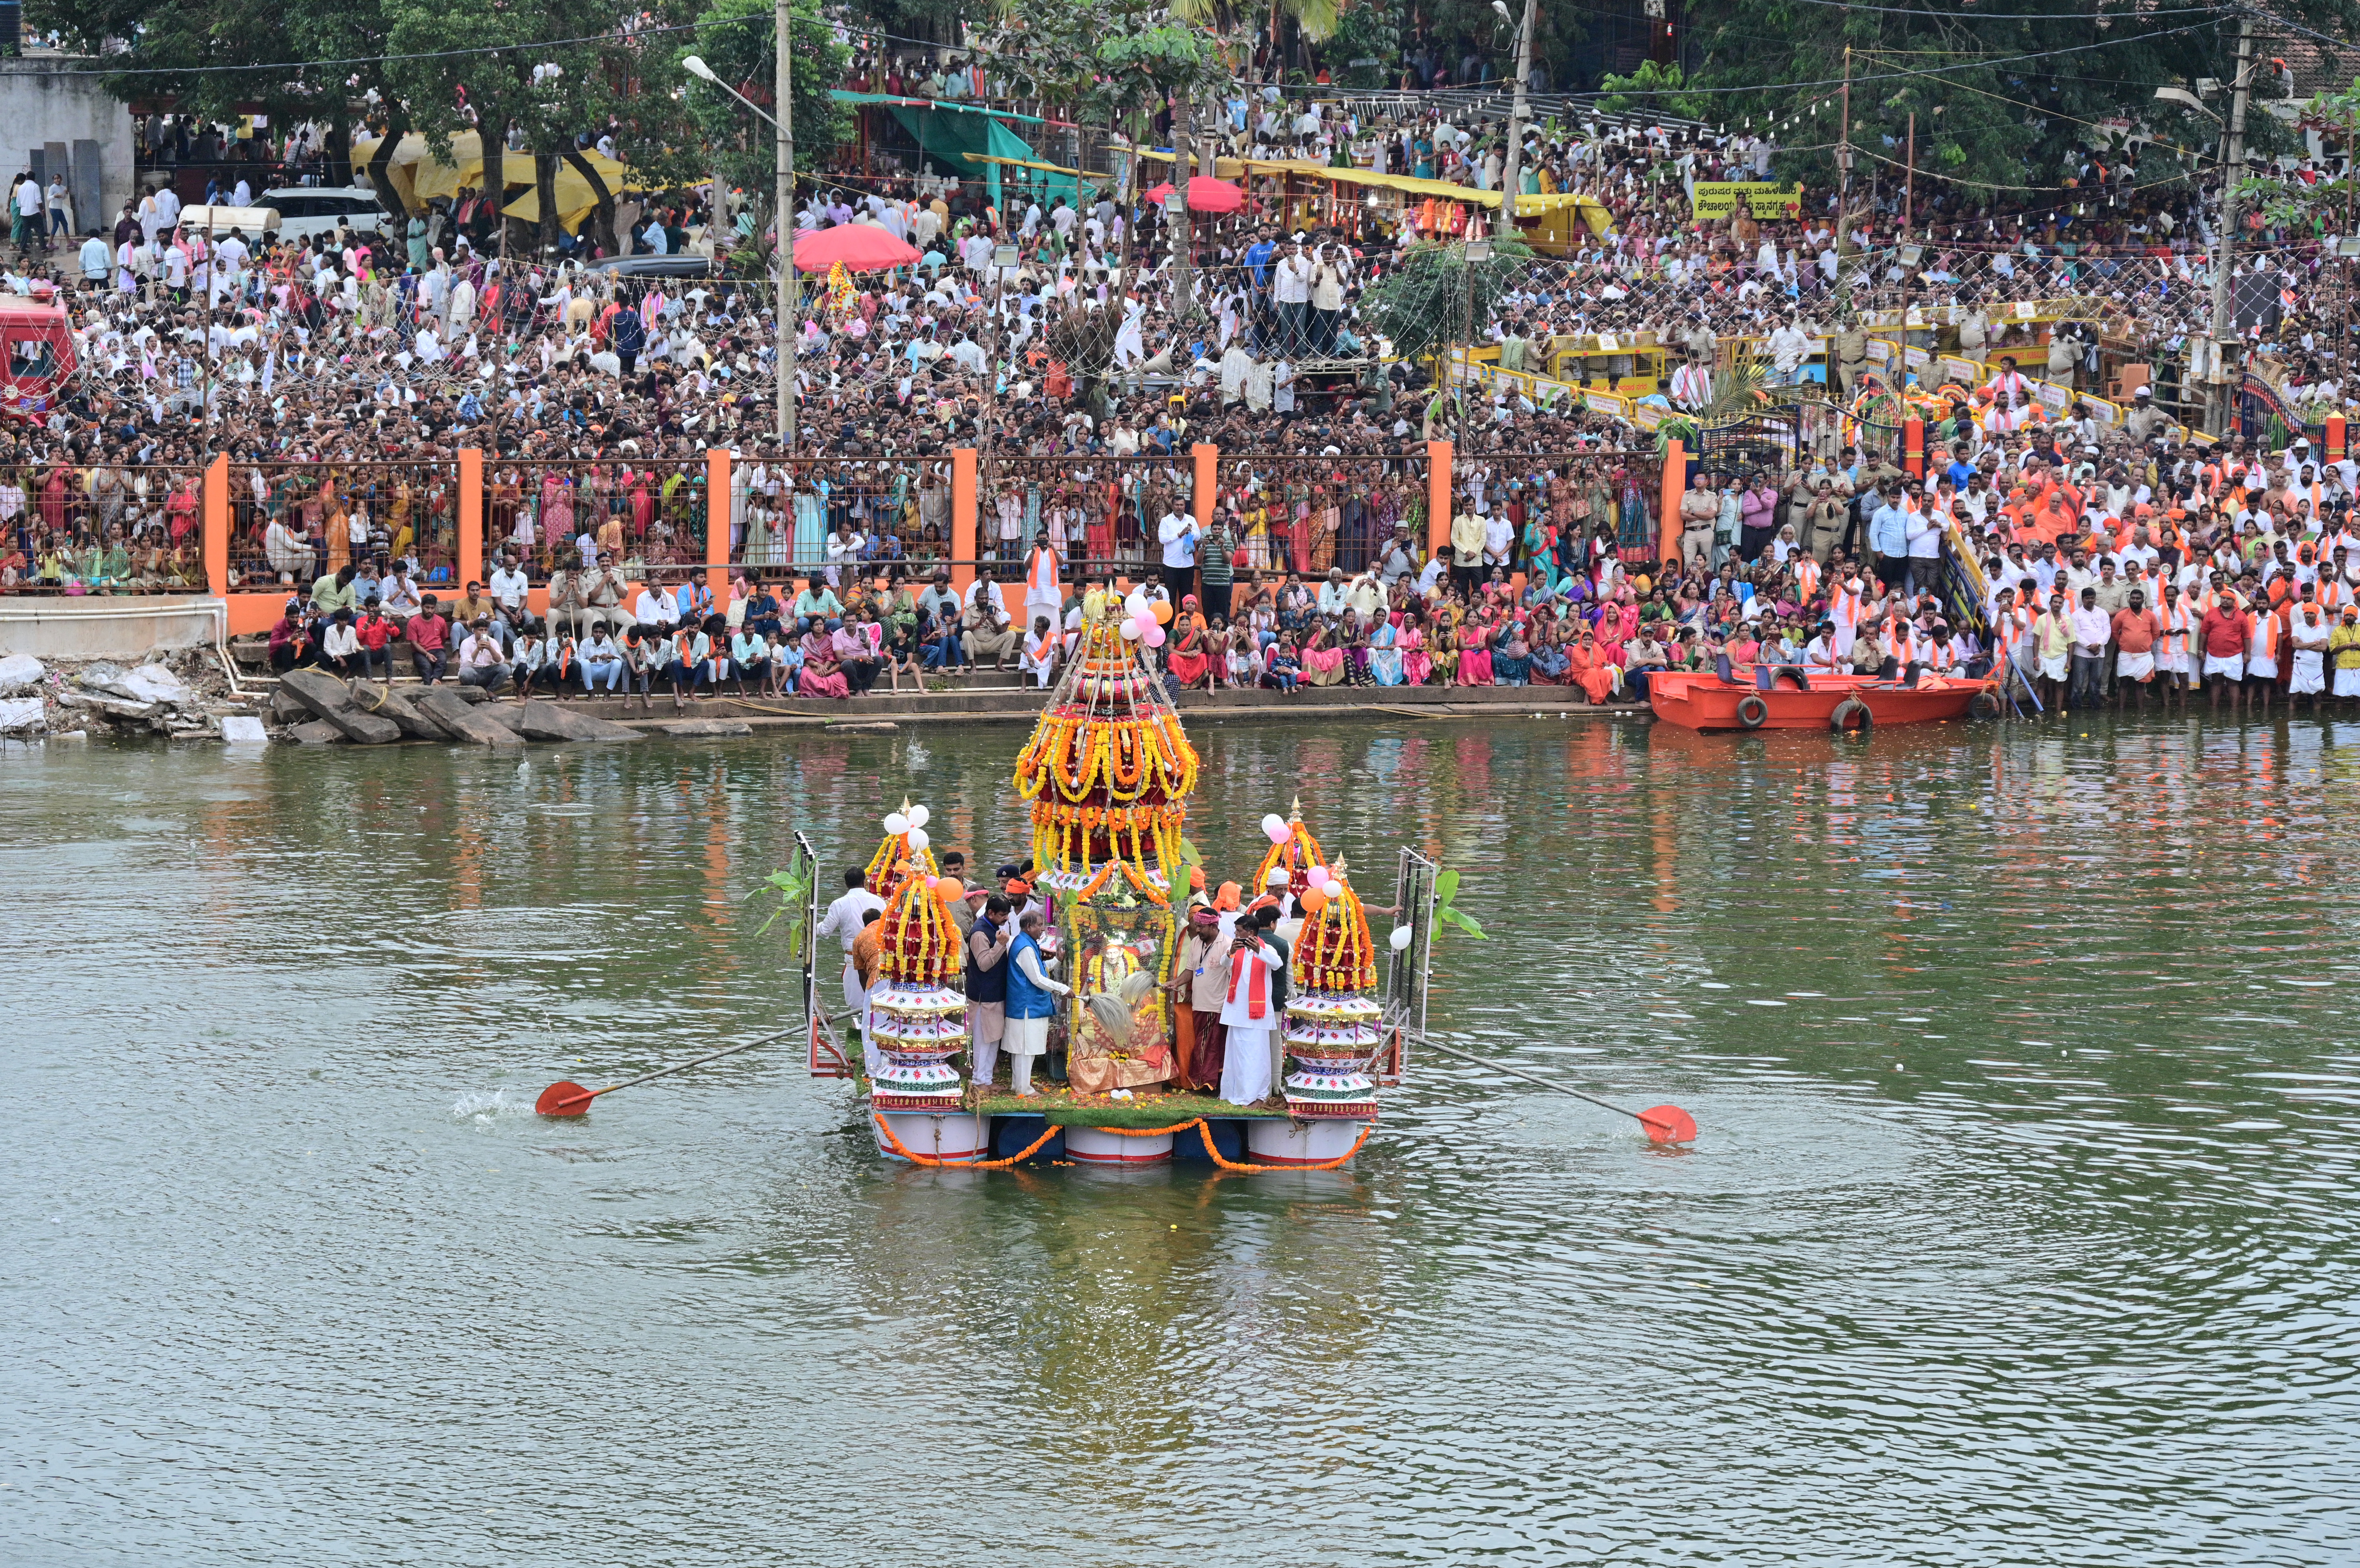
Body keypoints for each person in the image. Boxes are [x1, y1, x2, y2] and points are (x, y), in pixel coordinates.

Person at [1217, 905, 1286, 1107]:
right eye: (1236, 931)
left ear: (1251, 932)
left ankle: (1256, 1095)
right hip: (1237, 1011)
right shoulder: (1236, 948)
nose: (1236, 934)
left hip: (1257, 1014)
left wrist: (1259, 950)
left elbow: (1277, 964)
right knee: (1236, 1054)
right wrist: (1230, 952)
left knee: (1255, 1055)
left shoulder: (1267, 949)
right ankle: (1234, 1093)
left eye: (1239, 931)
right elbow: (1224, 964)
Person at [1003, 909, 1070, 1098]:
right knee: (1026, 1049)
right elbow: (1037, 979)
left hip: (1023, 1004)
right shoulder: (1025, 947)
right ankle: (1024, 1089)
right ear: (1029, 926)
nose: (1043, 929)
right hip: (1027, 1005)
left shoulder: (1025, 943)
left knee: (1021, 1049)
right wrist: (1063, 989)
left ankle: (1019, 1086)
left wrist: (1057, 961)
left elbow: (1038, 969)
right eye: (1040, 925)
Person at [965, 893, 1015, 1089]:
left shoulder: (994, 927)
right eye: (1003, 915)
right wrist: (1001, 945)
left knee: (994, 1039)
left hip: (995, 993)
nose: (1006, 919)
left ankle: (987, 1080)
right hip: (982, 997)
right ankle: (978, 1081)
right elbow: (984, 964)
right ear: (991, 913)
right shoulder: (979, 933)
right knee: (983, 1042)